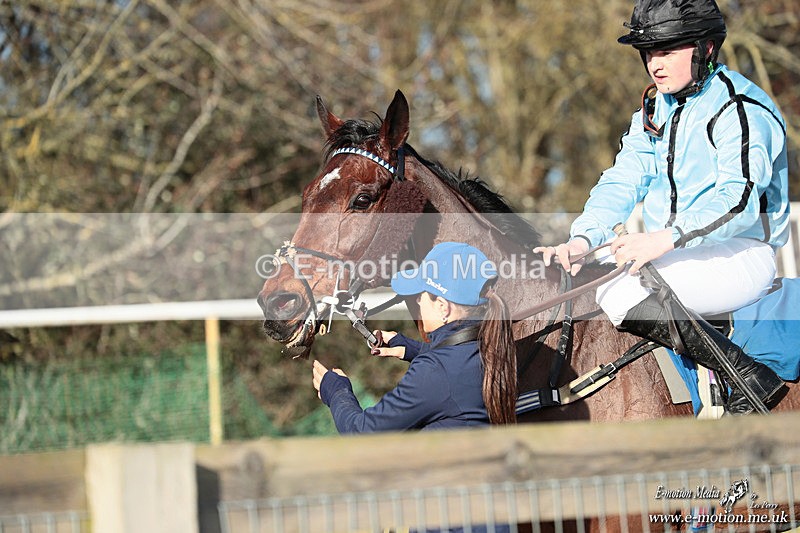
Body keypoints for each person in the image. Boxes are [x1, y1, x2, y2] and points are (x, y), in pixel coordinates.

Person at [535, 0, 789, 414]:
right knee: (597, 278)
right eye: (649, 52)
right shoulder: (653, 110)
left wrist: (664, 239)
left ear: (706, 48)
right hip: (678, 250)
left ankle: (748, 376)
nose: (655, 64)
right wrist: (582, 240)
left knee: (617, 291)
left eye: (667, 51)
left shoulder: (740, 107)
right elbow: (622, 180)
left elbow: (739, 201)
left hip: (742, 253)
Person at [311, 241, 517, 432]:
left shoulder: (434, 371)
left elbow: (362, 432)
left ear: (443, 308)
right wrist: (414, 349)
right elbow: (455, 368)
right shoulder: (492, 346)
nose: (418, 301)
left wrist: (337, 391)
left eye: (421, 295)